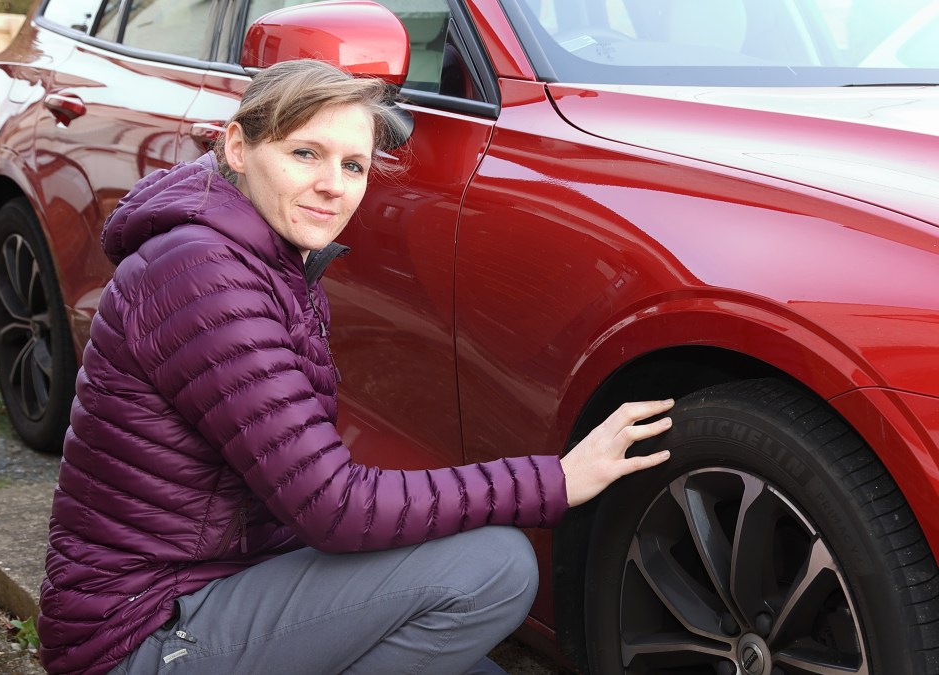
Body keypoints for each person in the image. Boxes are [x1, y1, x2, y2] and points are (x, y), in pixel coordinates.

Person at [37, 59, 672, 675]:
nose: (334, 186)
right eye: (305, 154)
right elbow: (332, 506)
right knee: (493, 566)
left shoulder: (263, 257)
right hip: (138, 631)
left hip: (220, 577)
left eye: (354, 165)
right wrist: (554, 479)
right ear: (236, 147)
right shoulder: (203, 275)